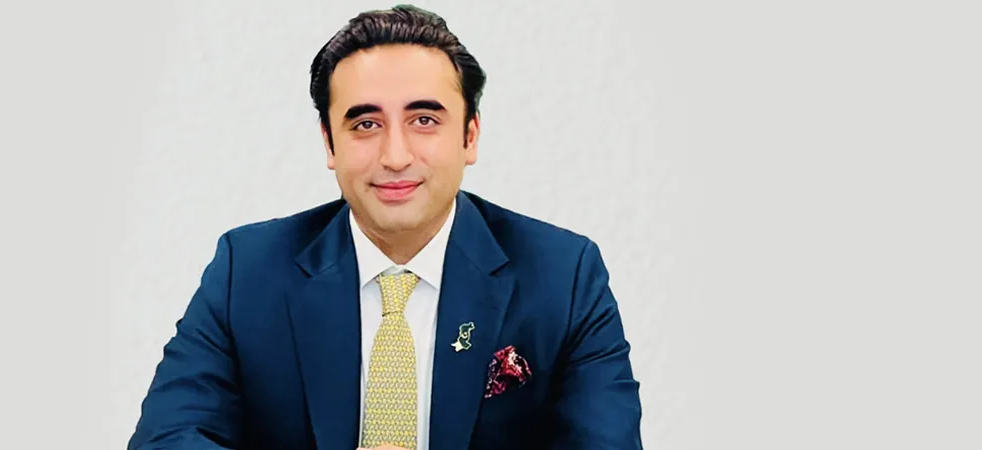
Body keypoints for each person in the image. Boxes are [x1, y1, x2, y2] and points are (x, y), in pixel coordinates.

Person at [128, 5, 642, 450]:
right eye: (366, 124)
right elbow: (166, 439)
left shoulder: (564, 277)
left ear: (470, 136)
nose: (395, 157)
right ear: (329, 143)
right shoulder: (247, 271)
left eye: (424, 120)